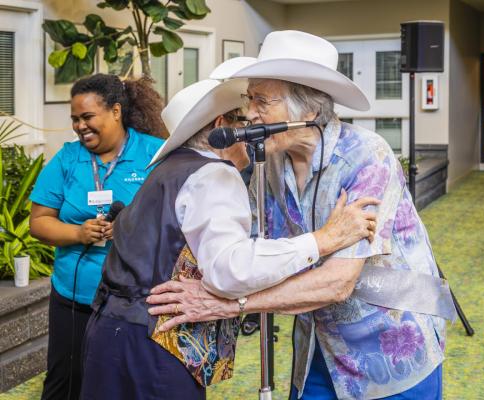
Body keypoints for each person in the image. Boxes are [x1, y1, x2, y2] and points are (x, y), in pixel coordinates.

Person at [147, 31, 457, 400]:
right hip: (321, 342)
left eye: (263, 100)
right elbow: (257, 249)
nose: (250, 114)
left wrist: (229, 304)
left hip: (390, 347)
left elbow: (338, 282)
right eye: (249, 99)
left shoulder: (365, 157)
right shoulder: (271, 163)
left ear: (308, 111)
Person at [79, 78, 379, 400]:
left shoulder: (170, 169)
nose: (252, 125)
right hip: (156, 343)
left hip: (110, 332)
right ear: (223, 127)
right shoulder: (214, 173)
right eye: (243, 120)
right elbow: (230, 270)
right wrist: (321, 241)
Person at [29, 73, 166, 400]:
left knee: (127, 382)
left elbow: (176, 217)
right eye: (75, 119)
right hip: (74, 297)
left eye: (87, 117)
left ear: (116, 111)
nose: (80, 126)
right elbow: (39, 221)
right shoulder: (67, 158)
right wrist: (78, 232)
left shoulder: (156, 154)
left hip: (137, 300)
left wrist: (129, 228)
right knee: (66, 380)